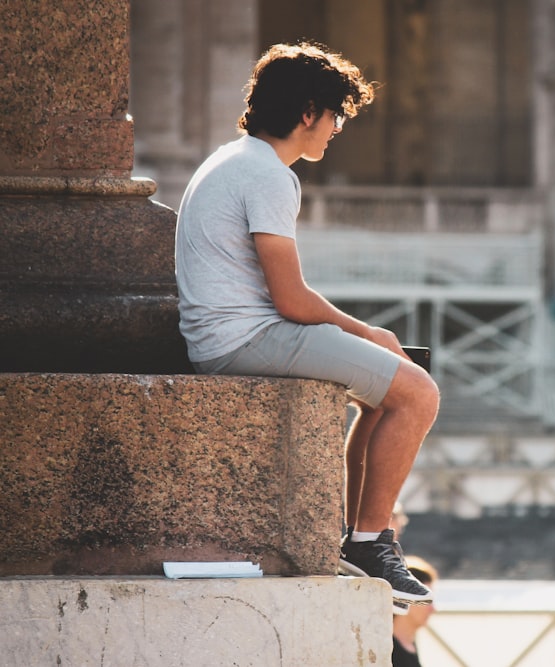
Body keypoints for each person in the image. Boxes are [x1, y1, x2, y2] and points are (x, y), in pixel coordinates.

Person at [174, 42, 439, 605]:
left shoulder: (230, 159)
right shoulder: (268, 174)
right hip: (245, 340)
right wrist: (366, 332)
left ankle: (356, 535)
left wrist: (362, 338)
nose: (338, 129)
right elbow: (292, 300)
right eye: (337, 115)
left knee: (383, 393)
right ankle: (370, 542)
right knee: (417, 392)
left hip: (226, 336)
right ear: (308, 112)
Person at [392, 556, 439, 667]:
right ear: (406, 598)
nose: (433, 609)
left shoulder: (409, 644)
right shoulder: (383, 650)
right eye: (426, 601)